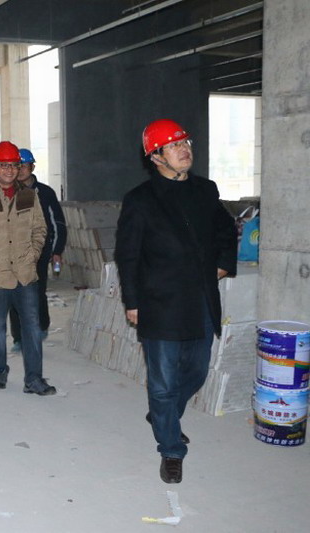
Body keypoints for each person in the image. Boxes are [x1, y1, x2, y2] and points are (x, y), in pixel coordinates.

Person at [115, 119, 237, 484]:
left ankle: (162, 412)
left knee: (197, 371)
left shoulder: (205, 190)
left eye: (185, 142)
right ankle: (170, 449)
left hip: (200, 299)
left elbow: (225, 231)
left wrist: (222, 263)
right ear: (156, 157)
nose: (184, 149)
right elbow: (128, 255)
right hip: (160, 302)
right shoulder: (140, 200)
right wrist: (132, 301)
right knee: (163, 383)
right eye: (173, 145)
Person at [0, 141, 56, 396]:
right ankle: (0, 370)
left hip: (25, 274)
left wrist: (33, 255)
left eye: (13, 165)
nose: (9, 170)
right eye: (3, 165)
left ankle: (33, 379)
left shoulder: (30, 196)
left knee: (32, 327)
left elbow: (40, 228)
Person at [8, 148, 67, 351]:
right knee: (14, 293)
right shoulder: (7, 192)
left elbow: (58, 223)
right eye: (17, 166)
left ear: (32, 167)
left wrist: (57, 251)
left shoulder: (45, 193)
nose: (20, 170)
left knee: (36, 291)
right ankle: (18, 338)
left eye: (24, 166)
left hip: (40, 251)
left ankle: (41, 326)